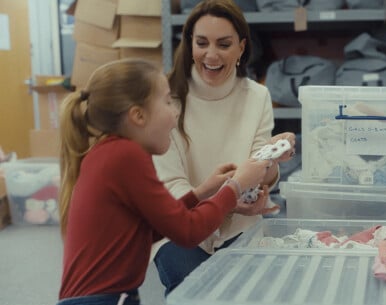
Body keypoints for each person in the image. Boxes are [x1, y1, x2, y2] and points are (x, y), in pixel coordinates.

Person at [56, 58, 271, 305]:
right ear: (138, 115)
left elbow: (155, 227)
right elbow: (187, 231)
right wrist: (236, 187)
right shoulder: (126, 156)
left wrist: (201, 192)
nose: (175, 111)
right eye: (168, 101)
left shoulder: (108, 153)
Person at [152, 0, 297, 295]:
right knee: (194, 287)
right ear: (190, 43)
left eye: (224, 44)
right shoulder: (167, 98)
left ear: (241, 47)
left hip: (240, 222)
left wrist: (272, 160)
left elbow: (260, 170)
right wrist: (226, 199)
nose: (211, 54)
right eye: (202, 43)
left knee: (255, 291)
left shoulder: (257, 96)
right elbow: (170, 184)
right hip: (180, 225)